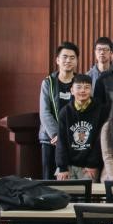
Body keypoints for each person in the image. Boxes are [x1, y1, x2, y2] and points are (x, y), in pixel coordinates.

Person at [55, 74, 108, 181]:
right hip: (68, 164)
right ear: (72, 90)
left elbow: (100, 140)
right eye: (78, 87)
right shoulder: (65, 112)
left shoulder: (101, 110)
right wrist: (62, 167)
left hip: (89, 166)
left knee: (87, 190)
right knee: (62, 188)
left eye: (87, 87)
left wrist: (92, 164)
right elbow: (61, 141)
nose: (83, 91)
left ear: (91, 90)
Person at [39, 41, 78, 179]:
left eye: (72, 57)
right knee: (49, 178)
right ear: (57, 60)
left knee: (71, 179)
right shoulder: (48, 82)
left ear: (76, 61)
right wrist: (57, 135)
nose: (68, 60)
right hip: (50, 138)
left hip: (74, 138)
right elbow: (44, 112)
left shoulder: (80, 83)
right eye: (65, 57)